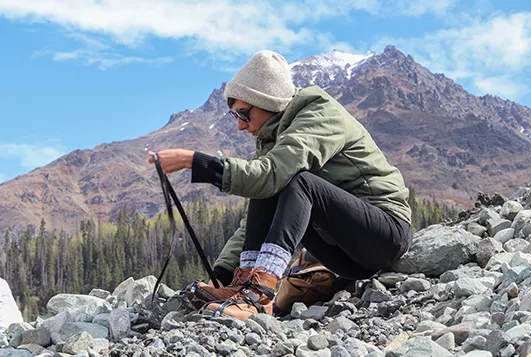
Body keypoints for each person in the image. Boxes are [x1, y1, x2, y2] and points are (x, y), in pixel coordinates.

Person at [148, 50, 413, 320]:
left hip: (385, 235)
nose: (240, 126)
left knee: (294, 181)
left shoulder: (319, 113)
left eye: (243, 114)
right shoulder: (274, 139)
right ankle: (243, 288)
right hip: (345, 256)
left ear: (267, 101)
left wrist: (197, 163)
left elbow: (270, 175)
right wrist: (221, 275)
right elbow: (257, 208)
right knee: (269, 186)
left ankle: (258, 293)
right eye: (234, 116)